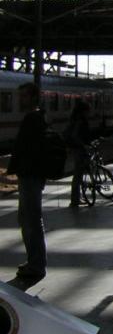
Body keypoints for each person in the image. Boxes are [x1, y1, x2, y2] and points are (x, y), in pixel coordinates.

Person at [7, 83, 47, 279]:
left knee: (30, 220)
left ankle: (37, 264)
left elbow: (25, 148)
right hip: (32, 175)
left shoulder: (33, 119)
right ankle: (34, 261)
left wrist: (14, 168)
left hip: (31, 175)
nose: (20, 100)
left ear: (32, 97)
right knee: (27, 218)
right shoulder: (38, 117)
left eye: (23, 96)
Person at [64, 99, 93, 207]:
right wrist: (83, 145)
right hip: (80, 149)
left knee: (79, 174)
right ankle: (75, 199)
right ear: (84, 111)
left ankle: (77, 197)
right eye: (88, 110)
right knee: (78, 175)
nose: (89, 113)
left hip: (77, 149)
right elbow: (75, 135)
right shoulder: (80, 121)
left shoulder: (75, 119)